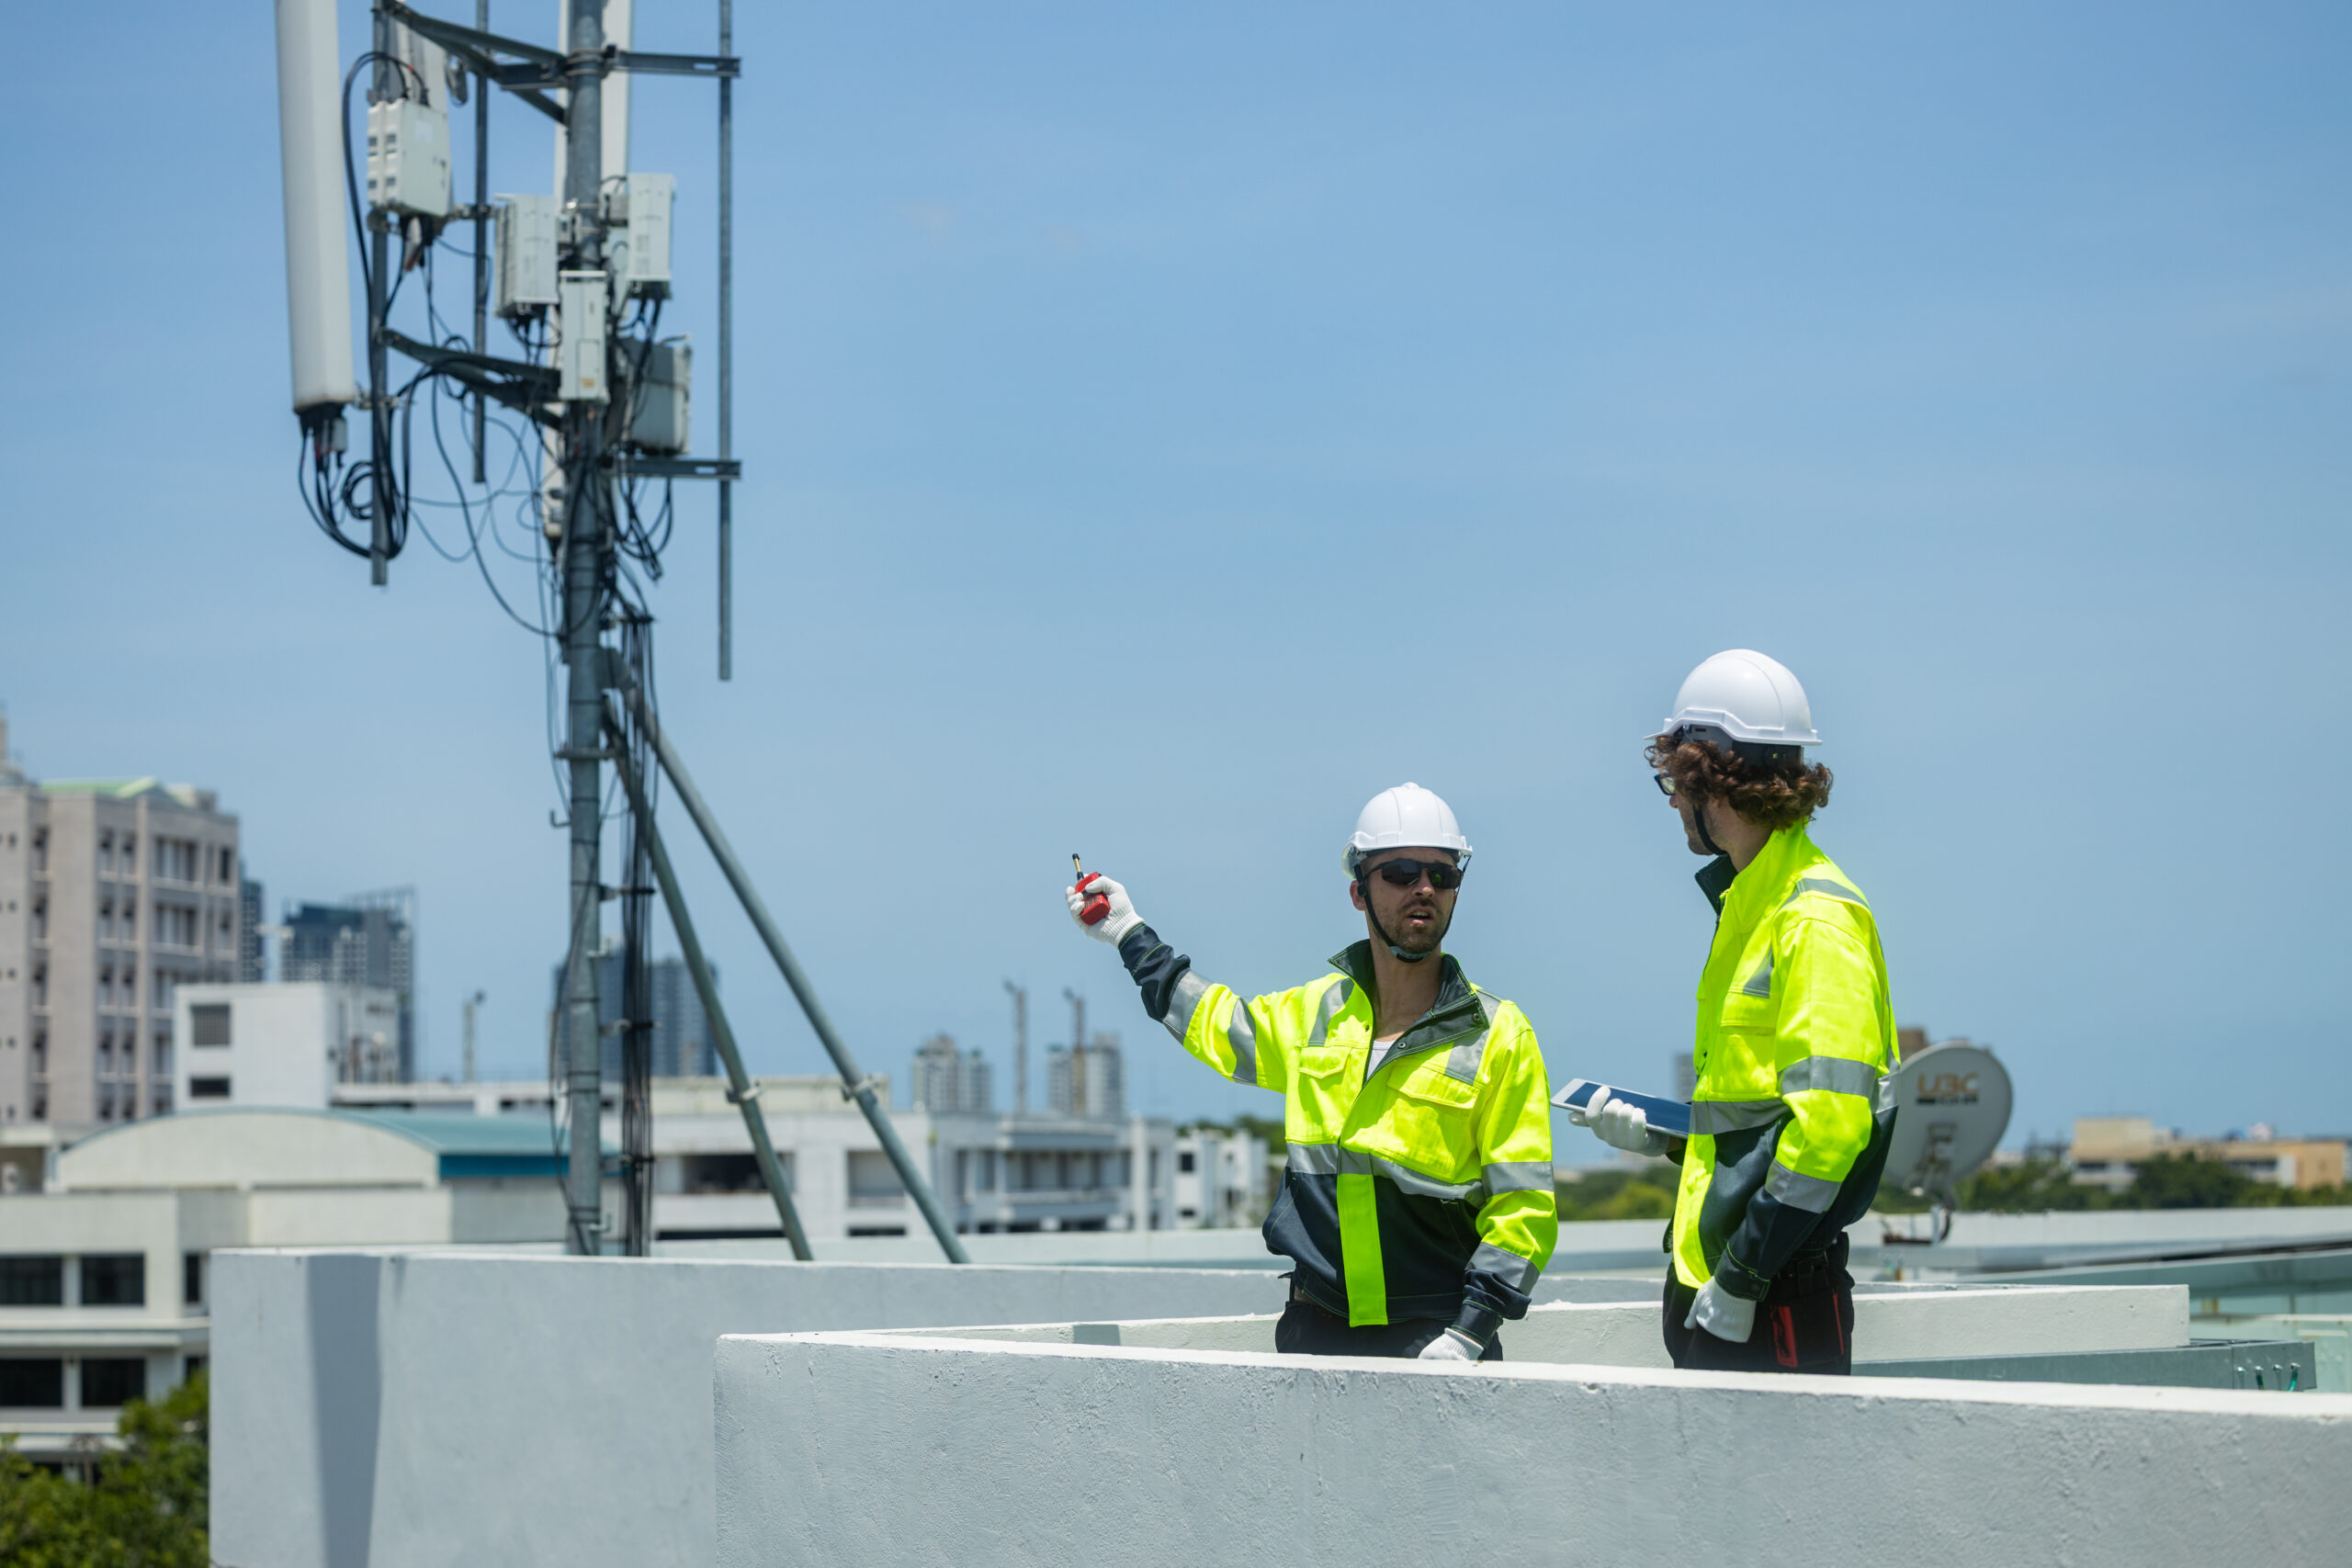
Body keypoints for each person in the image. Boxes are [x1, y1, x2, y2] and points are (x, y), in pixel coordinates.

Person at [1066, 784, 1556, 1362]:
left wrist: (1470, 1332)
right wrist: (1128, 933)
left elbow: (1525, 1207)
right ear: (1358, 892)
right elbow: (1214, 1024)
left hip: (1439, 1335)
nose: (1424, 888)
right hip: (1314, 1331)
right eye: (1400, 871)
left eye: (1442, 875)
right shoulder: (1313, 1016)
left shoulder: (1500, 1035)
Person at [1571, 650, 1894, 1373]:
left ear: (1707, 777)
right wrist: (1664, 1135)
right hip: (1725, 1284)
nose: (1668, 801)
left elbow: (1830, 1128)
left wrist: (1745, 1275)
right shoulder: (1752, 905)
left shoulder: (1810, 918)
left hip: (1771, 1291)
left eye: (1671, 781)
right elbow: (1754, 1120)